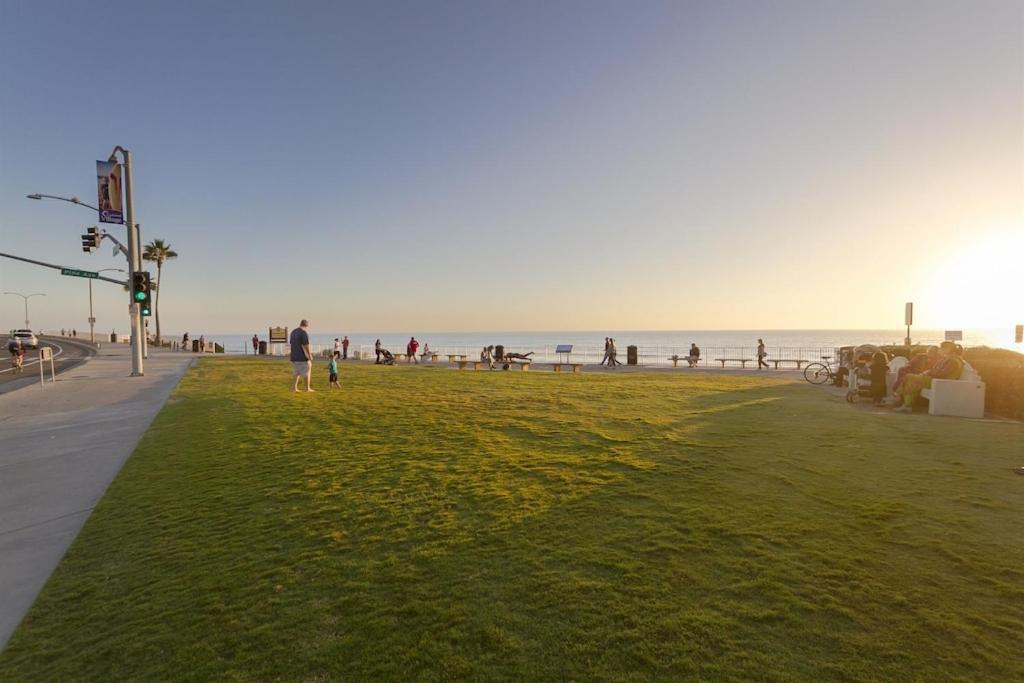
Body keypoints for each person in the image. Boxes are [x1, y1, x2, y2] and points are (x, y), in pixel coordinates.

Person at [893, 341, 963, 412]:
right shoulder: (947, 358)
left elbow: (942, 374)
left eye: (941, 348)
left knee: (910, 377)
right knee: (911, 381)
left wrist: (929, 373)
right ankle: (906, 404)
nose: (939, 350)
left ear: (947, 349)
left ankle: (899, 397)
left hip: (941, 383)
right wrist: (928, 372)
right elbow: (936, 371)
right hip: (935, 380)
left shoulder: (953, 361)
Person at [289, 319, 314, 392]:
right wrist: (310, 355)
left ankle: (294, 388)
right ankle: (307, 388)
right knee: (307, 372)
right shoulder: (303, 332)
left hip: (294, 356)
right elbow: (306, 345)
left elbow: (292, 343)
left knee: (296, 372)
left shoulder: (293, 332)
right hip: (303, 356)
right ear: (306, 325)